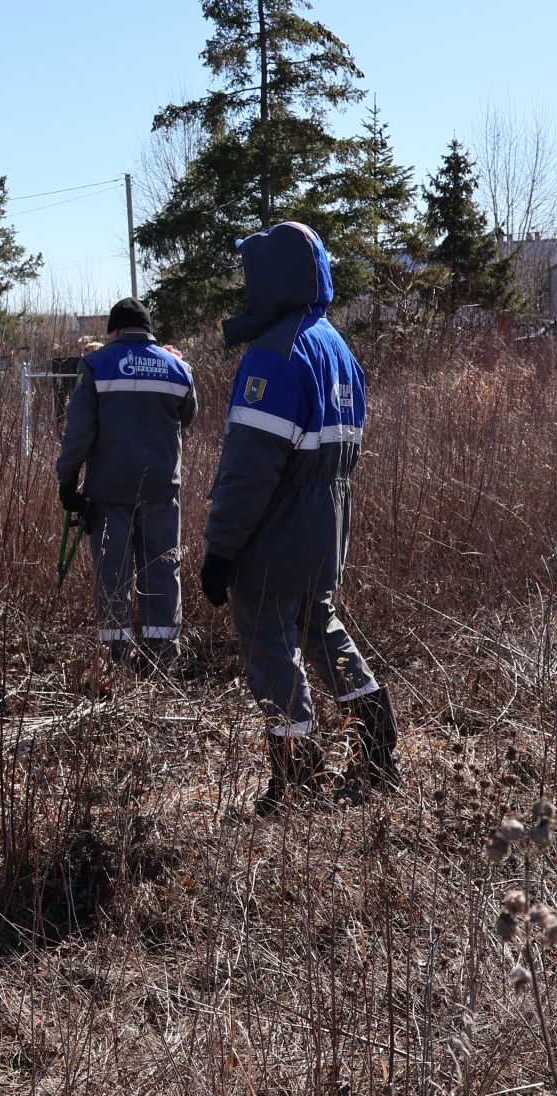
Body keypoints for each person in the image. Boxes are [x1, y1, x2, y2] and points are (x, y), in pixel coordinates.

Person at [197, 221, 399, 815]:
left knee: (270, 647)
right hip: (327, 530)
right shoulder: (337, 347)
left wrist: (220, 548)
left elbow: (250, 469)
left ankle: (297, 780)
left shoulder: (275, 353)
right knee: (320, 627)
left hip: (274, 533)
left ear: (273, 278)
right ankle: (376, 744)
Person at [56, 297, 197, 674]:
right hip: (162, 491)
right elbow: (188, 415)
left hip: (109, 492)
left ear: (113, 332)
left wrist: (68, 480)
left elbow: (78, 433)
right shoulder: (178, 368)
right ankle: (162, 661)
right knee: (163, 570)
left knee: (114, 574)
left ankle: (116, 664)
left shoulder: (96, 364)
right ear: (149, 330)